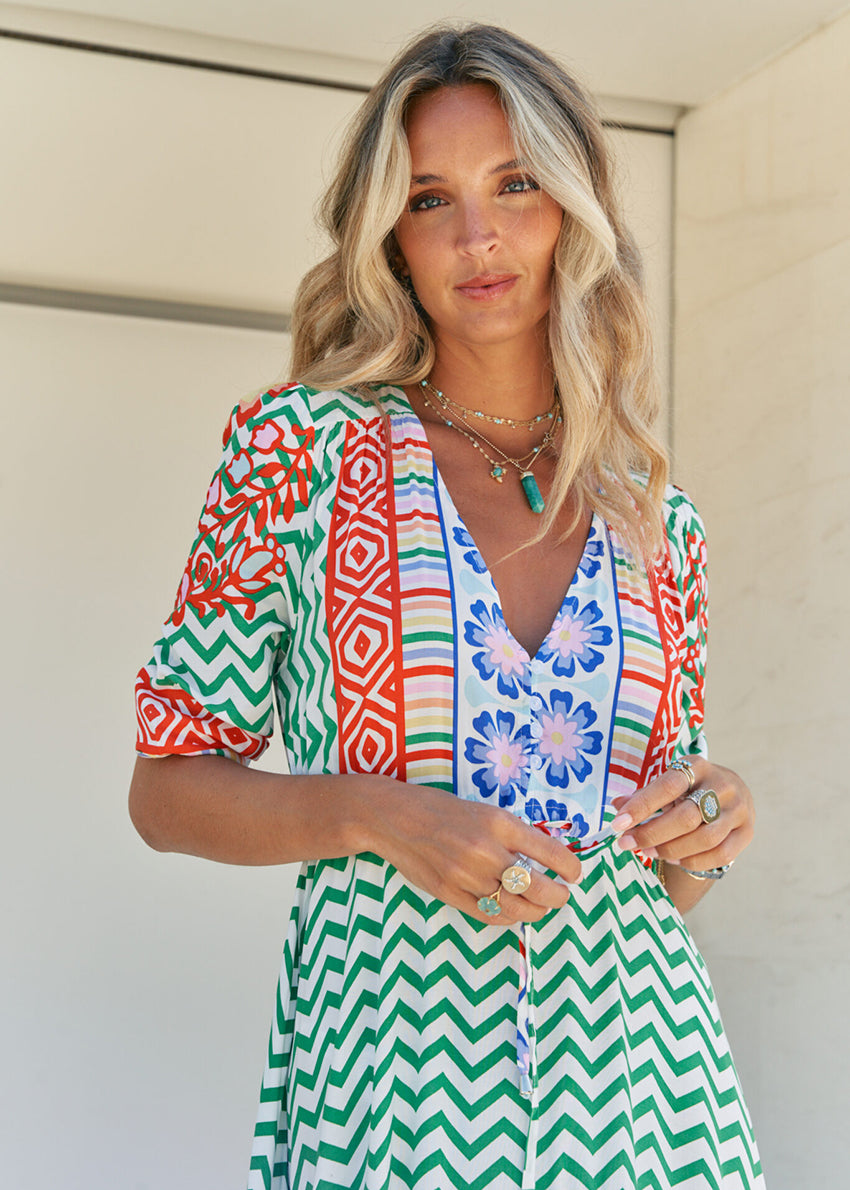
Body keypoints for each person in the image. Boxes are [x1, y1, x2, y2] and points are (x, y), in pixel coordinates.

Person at [130, 23, 764, 1190]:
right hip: (394, 1096)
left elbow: (664, 880)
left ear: (572, 210)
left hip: (648, 1104)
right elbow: (166, 791)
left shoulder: (655, 517)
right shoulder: (299, 453)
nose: (479, 236)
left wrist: (712, 823)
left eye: (515, 185)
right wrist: (381, 815)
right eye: (431, 199)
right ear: (389, 237)